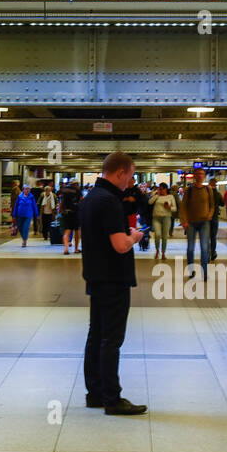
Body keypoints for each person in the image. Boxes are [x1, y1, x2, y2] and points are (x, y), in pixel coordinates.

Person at [80, 152, 147, 416]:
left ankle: (95, 393)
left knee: (96, 334)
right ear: (119, 172)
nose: (129, 183)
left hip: (96, 276)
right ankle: (113, 398)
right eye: (129, 177)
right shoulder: (110, 201)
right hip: (114, 279)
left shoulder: (91, 198)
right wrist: (135, 237)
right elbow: (120, 245)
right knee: (112, 338)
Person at [180, 168, 214, 279]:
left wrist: (210, 214)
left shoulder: (208, 190)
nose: (200, 176)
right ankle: (191, 271)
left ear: (204, 176)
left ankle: (204, 272)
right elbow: (183, 206)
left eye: (202, 174)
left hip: (204, 222)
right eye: (198, 174)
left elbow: (212, 205)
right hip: (191, 223)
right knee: (190, 248)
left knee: (204, 248)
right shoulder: (188, 190)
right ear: (194, 176)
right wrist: (184, 221)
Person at [148, 182, 177, 260]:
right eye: (159, 189)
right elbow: (150, 202)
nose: (160, 190)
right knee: (157, 234)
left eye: (162, 189)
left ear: (165, 189)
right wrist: (157, 194)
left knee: (164, 236)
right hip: (156, 217)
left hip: (166, 218)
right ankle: (157, 250)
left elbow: (175, 209)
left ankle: (163, 252)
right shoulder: (156, 196)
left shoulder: (170, 197)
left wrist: (169, 207)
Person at [59, 180, 82, 255]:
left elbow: (62, 202)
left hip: (67, 213)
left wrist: (60, 210)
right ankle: (76, 249)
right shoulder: (78, 191)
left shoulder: (65, 190)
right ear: (75, 184)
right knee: (77, 231)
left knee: (67, 231)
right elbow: (81, 201)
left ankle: (66, 249)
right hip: (76, 213)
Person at [209, 179, 224, 261]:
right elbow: (222, 203)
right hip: (214, 217)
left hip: (206, 217)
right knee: (213, 236)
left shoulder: (206, 194)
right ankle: (213, 252)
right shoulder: (218, 194)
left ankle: (207, 252)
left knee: (206, 236)